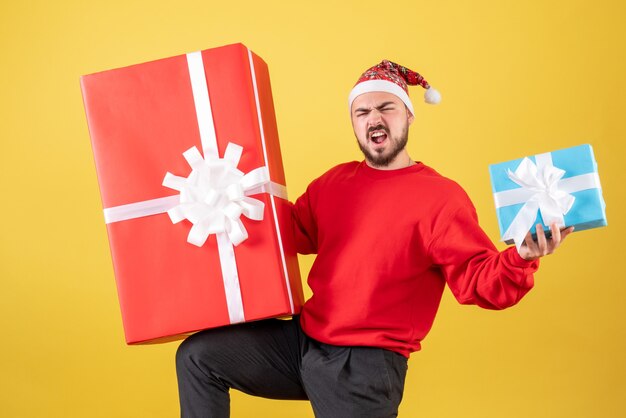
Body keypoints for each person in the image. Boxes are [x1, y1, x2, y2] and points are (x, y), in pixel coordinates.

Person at [175, 60, 574, 418]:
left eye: (386, 108)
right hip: (303, 341)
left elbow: (478, 279)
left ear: (408, 116)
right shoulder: (334, 182)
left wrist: (521, 257)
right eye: (362, 111)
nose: (374, 119)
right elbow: (288, 232)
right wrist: (227, 194)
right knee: (198, 357)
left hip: (365, 366)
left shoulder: (441, 198)